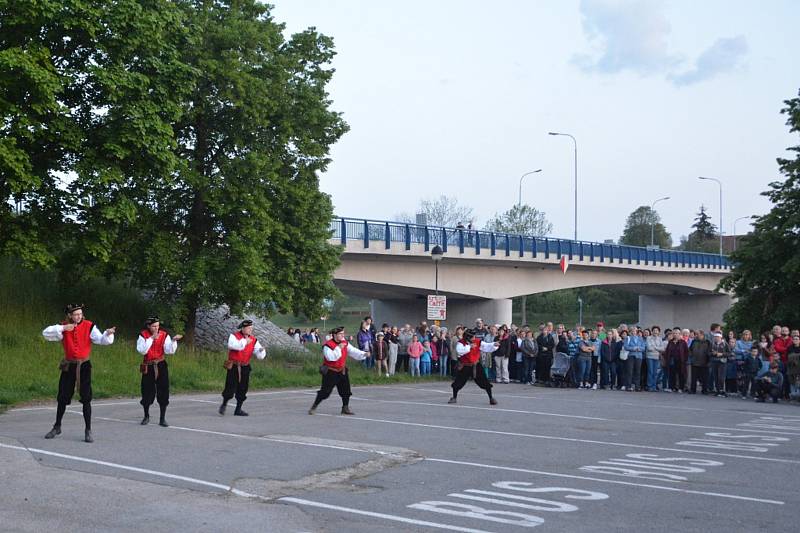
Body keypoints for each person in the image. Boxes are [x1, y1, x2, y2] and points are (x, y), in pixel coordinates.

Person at [42, 304, 116, 443]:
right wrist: (64, 328)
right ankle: (57, 426)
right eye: (76, 314)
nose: (78, 316)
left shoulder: (89, 326)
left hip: (84, 366)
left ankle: (88, 430)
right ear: (70, 315)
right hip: (69, 365)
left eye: (80, 314)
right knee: (62, 397)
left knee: (86, 398)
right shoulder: (63, 326)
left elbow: (101, 340)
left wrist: (107, 334)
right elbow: (46, 333)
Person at [308, 327, 368, 415]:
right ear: (335, 335)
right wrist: (338, 348)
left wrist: (364, 354)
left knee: (346, 391)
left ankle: (345, 407)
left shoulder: (344, 343)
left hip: (342, 370)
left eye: (343, 333)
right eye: (340, 334)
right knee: (325, 392)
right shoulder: (328, 345)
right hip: (331, 372)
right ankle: (314, 406)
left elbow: (353, 351)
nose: (342, 335)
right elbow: (331, 357)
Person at [136, 316, 181, 427]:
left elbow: (169, 350)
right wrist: (151, 339)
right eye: (153, 326)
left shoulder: (164, 335)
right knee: (147, 391)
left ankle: (162, 418)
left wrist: (173, 341)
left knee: (163, 390)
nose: (156, 328)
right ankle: (146, 416)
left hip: (161, 364)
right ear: (148, 326)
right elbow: (142, 351)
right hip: (148, 365)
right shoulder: (143, 335)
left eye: (157, 326)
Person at [219, 319, 266, 416]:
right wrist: (244, 342)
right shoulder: (234, 336)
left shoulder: (253, 340)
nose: (250, 330)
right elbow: (232, 346)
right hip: (234, 366)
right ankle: (224, 404)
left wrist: (261, 351)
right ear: (243, 328)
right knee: (230, 387)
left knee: (243, 389)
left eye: (251, 328)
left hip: (245, 366)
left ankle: (238, 409)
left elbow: (259, 355)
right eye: (248, 328)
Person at [449, 328, 499, 405]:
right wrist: (469, 347)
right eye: (472, 337)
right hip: (465, 366)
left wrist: (494, 344)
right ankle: (454, 397)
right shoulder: (461, 343)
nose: (474, 338)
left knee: (484, 382)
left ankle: (491, 398)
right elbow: (460, 351)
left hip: (476, 365)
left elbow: (486, 346)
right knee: (458, 382)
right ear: (468, 337)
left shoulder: (478, 342)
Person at [689, 330, 711, 394]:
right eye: (696, 334)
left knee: (705, 378)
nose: (696, 335)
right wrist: (691, 356)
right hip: (694, 362)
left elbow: (709, 351)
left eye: (697, 334)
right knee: (694, 377)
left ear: (702, 335)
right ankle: (693, 390)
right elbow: (690, 349)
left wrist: (708, 360)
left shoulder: (707, 342)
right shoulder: (694, 341)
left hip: (704, 362)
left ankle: (705, 390)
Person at [623, 327, 645, 392]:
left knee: (638, 372)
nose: (633, 332)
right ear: (630, 332)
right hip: (631, 356)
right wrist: (633, 348)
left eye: (635, 331)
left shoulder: (640, 338)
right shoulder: (628, 338)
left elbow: (643, 347)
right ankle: (628, 386)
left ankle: (637, 387)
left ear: (636, 331)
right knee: (630, 371)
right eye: (632, 331)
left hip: (639, 356)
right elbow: (626, 347)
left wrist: (639, 348)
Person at [709, 332, 730, 397]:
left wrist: (722, 354)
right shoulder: (712, 344)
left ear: (721, 337)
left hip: (722, 362)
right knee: (716, 377)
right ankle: (717, 390)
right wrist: (713, 353)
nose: (716, 338)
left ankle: (722, 390)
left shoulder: (724, 344)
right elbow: (708, 353)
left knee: (721, 377)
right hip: (714, 362)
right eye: (715, 337)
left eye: (718, 337)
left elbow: (729, 353)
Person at [645, 326, 666, 391]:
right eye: (654, 330)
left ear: (659, 332)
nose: (655, 332)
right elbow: (649, 348)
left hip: (656, 357)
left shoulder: (660, 339)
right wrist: (657, 348)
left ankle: (654, 386)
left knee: (655, 372)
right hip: (650, 357)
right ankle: (649, 386)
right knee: (650, 371)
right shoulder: (648, 338)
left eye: (657, 330)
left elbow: (662, 349)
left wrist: (654, 347)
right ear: (652, 331)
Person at [786, 333, 800, 401]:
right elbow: (788, 357)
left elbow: (792, 356)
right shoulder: (789, 348)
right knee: (792, 382)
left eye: (797, 339)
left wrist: (793, 356)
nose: (795, 340)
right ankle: (792, 395)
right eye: (794, 339)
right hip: (791, 367)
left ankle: (797, 396)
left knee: (798, 382)